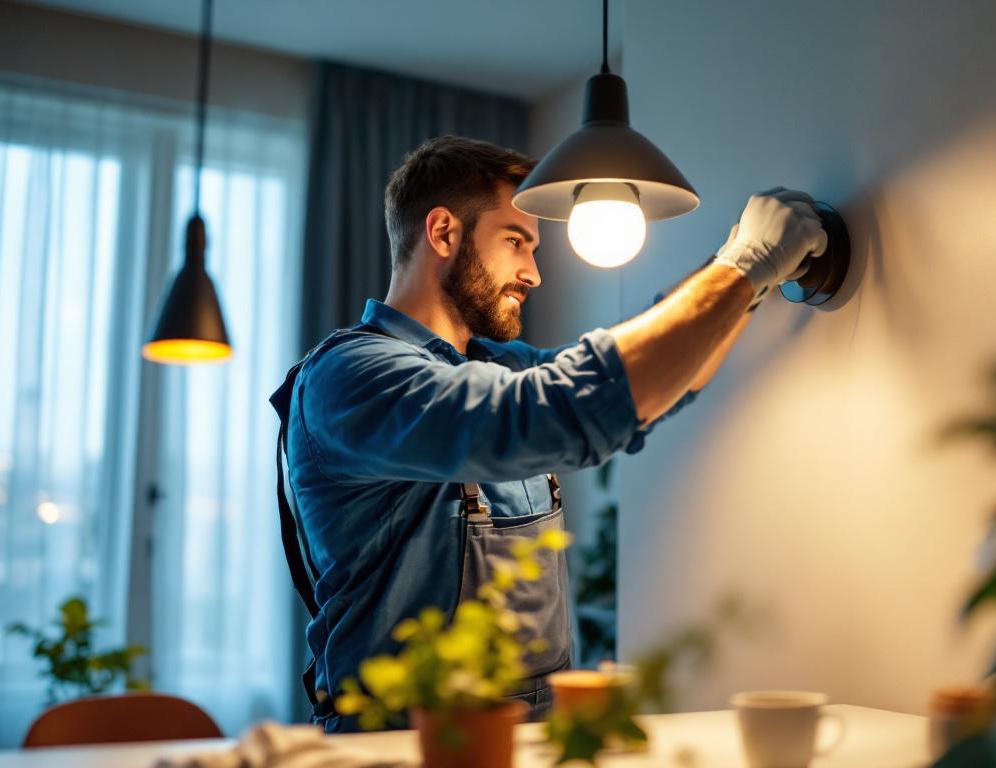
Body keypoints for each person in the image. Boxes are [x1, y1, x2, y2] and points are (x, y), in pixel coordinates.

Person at [270, 136, 827, 731]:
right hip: (399, 749)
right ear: (442, 232)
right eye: (515, 241)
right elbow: (562, 406)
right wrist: (744, 265)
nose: (534, 273)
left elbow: (661, 383)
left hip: (534, 740)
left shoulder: (499, 367)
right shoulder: (350, 376)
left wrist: (749, 275)